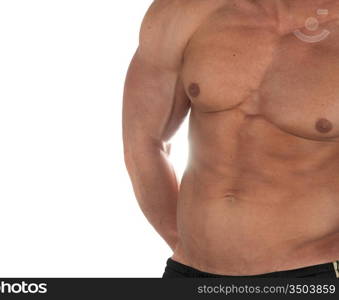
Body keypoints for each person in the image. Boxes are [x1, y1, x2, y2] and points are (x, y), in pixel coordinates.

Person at [122, 0, 339, 278]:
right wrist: (181, 242)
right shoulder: (187, 10)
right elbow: (143, 141)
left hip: (311, 273)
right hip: (189, 271)